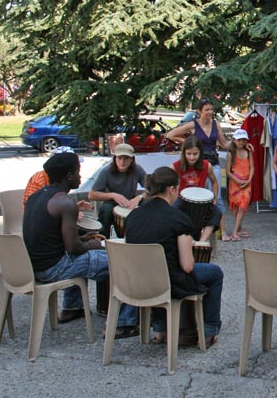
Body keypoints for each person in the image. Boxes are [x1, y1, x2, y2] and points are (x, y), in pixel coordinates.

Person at [23, 152, 139, 338]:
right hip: (54, 268)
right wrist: (92, 244)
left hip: (34, 267)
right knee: (125, 260)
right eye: (77, 172)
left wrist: (82, 239)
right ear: (68, 176)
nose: (80, 177)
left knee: (85, 256)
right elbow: (74, 249)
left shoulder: (36, 196)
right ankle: (124, 323)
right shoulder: (65, 203)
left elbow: (52, 237)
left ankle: (73, 307)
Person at [125, 167, 223, 346]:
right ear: (171, 189)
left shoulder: (133, 216)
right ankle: (209, 331)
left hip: (137, 281)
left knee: (158, 269)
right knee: (215, 273)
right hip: (167, 283)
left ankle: (160, 330)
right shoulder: (178, 219)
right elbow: (187, 266)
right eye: (177, 189)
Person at [166, 97, 230, 238]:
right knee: (198, 195)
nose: (210, 112)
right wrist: (188, 143)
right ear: (199, 111)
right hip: (197, 163)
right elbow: (171, 134)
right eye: (207, 109)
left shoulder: (215, 124)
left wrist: (239, 143)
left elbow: (224, 143)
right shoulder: (193, 124)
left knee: (216, 197)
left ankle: (222, 231)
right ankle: (195, 227)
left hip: (212, 162)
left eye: (211, 109)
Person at [87, 143, 147, 238]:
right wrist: (113, 195)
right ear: (115, 158)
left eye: (126, 158)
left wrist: (139, 197)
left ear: (132, 160)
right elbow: (91, 195)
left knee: (148, 203)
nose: (122, 161)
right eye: (119, 158)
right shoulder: (106, 171)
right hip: (111, 203)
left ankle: (145, 237)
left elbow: (152, 188)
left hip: (130, 201)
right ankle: (103, 242)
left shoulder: (137, 169)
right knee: (105, 210)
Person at [172, 136, 223, 242]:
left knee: (217, 212)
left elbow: (214, 182)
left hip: (201, 201)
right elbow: (166, 183)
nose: (191, 157)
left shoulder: (206, 165)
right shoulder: (175, 166)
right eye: (189, 154)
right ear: (184, 153)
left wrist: (215, 197)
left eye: (195, 154)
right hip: (182, 201)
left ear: (200, 153)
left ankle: (202, 242)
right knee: (171, 214)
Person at [24, 146, 89, 209]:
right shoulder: (38, 180)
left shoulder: (61, 181)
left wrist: (73, 208)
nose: (80, 176)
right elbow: (32, 209)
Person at [227, 128, 254, 241]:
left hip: (247, 182)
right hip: (235, 182)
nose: (241, 142)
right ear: (234, 140)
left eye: (243, 140)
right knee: (236, 207)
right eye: (239, 140)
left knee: (243, 206)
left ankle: (234, 231)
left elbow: (252, 167)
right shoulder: (231, 153)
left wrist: (249, 180)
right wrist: (237, 181)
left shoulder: (248, 152)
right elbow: (228, 171)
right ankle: (239, 228)